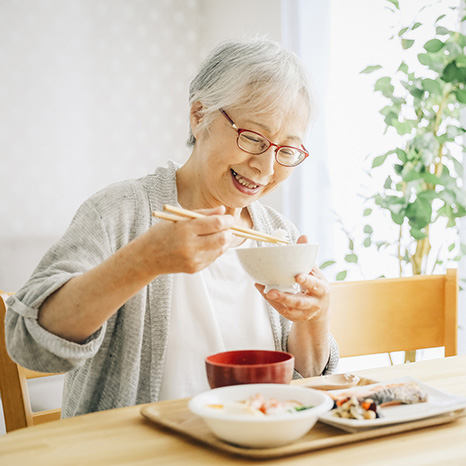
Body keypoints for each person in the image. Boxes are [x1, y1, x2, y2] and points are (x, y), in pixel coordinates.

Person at [5, 37, 339, 418]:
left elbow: (305, 382)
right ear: (200, 115)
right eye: (253, 138)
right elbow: (28, 343)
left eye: (286, 151)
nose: (265, 169)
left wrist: (315, 318)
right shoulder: (119, 213)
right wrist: (144, 261)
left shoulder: (278, 236)